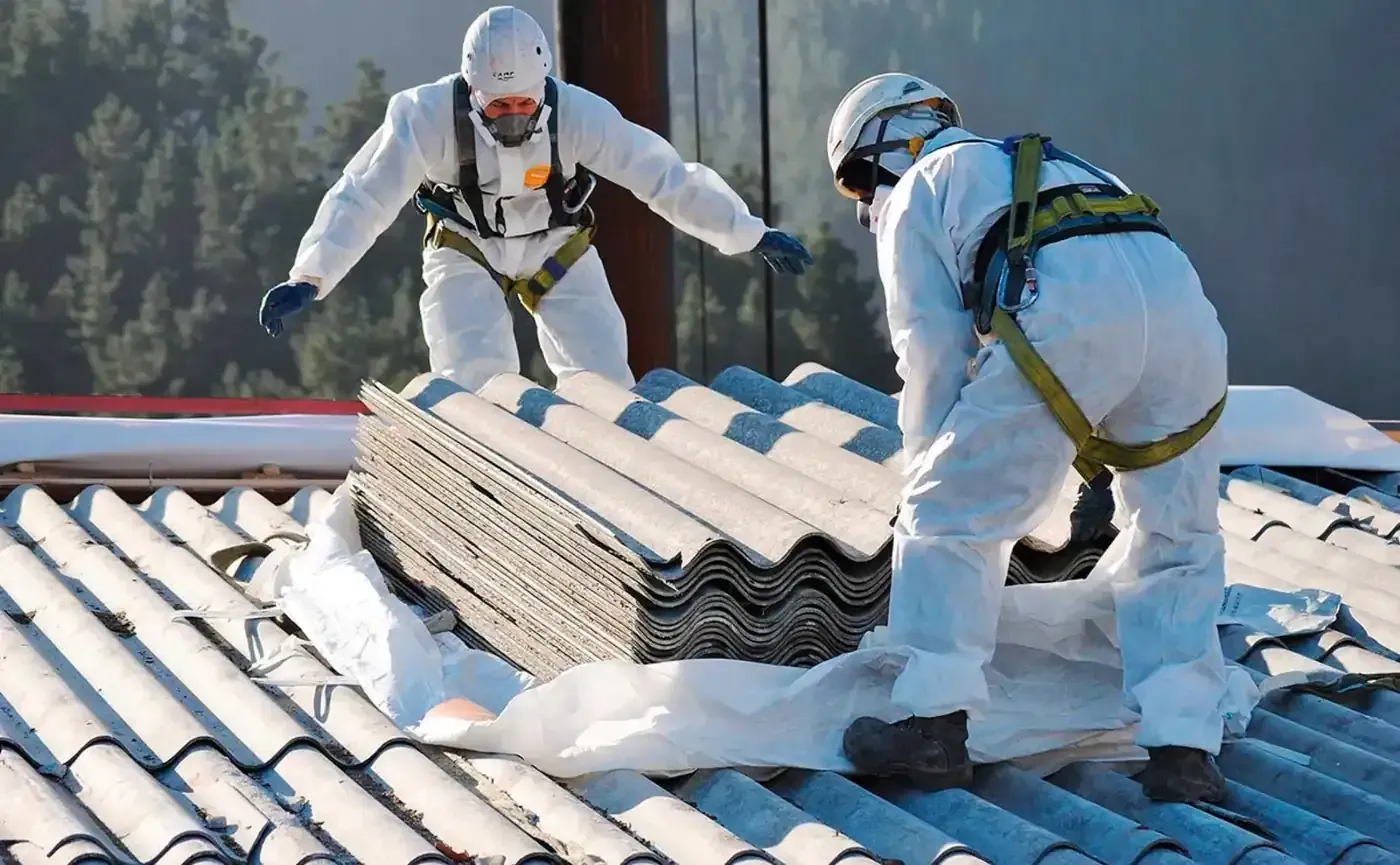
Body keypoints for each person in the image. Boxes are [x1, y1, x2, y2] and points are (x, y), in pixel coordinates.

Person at [825, 73, 1231, 803]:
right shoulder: (1061, 166)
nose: (866, 208)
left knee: (948, 514)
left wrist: (926, 474)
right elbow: (1123, 302)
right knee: (1179, 537)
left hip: (1079, 323)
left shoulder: (924, 182)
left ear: (880, 148)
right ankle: (1186, 748)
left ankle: (932, 723)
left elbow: (930, 352)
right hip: (1191, 329)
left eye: (859, 187)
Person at [259, 5, 811, 391]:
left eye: (524, 103)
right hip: (465, 245)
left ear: (543, 84)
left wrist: (747, 232)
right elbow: (363, 195)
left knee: (604, 382)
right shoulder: (424, 118)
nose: (515, 117)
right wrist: (311, 275)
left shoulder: (576, 113)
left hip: (557, 245)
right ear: (473, 90)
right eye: (499, 108)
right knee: (474, 385)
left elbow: (663, 175)